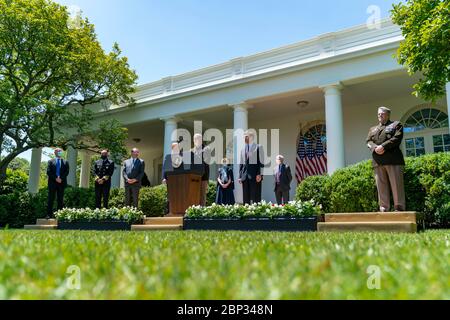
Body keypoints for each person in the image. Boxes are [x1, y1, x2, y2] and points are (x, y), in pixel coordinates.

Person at [366, 106, 406, 212]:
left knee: (396, 184)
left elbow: (396, 139)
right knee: (381, 185)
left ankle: (399, 207)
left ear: (388, 115)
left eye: (382, 114)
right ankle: (384, 207)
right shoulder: (373, 129)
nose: (380, 115)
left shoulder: (396, 125)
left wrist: (383, 146)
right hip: (378, 161)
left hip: (393, 160)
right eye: (378, 114)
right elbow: (368, 141)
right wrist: (375, 148)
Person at [238, 131, 264, 204]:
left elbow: (261, 162)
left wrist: (260, 174)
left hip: (255, 176)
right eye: (244, 137)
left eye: (246, 136)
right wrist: (240, 176)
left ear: (251, 137)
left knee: (255, 197)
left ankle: (256, 213)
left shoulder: (258, 147)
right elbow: (241, 164)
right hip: (244, 176)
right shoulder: (243, 149)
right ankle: (246, 212)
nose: (244, 138)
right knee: (245, 197)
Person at [46, 148, 70, 218]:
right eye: (57, 151)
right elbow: (48, 172)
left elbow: (67, 172)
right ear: (55, 152)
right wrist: (56, 178)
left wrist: (61, 178)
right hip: (52, 183)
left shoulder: (66, 162)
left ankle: (59, 215)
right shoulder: (50, 161)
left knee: (60, 199)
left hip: (61, 183)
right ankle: (49, 214)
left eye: (60, 151)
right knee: (51, 199)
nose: (59, 152)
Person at [192, 134, 211, 206]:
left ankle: (202, 211)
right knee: (194, 194)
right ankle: (194, 210)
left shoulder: (206, 149)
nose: (196, 140)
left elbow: (206, 161)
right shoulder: (191, 151)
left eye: (198, 138)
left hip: (203, 176)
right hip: (193, 176)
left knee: (202, 194)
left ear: (201, 140)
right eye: (195, 139)